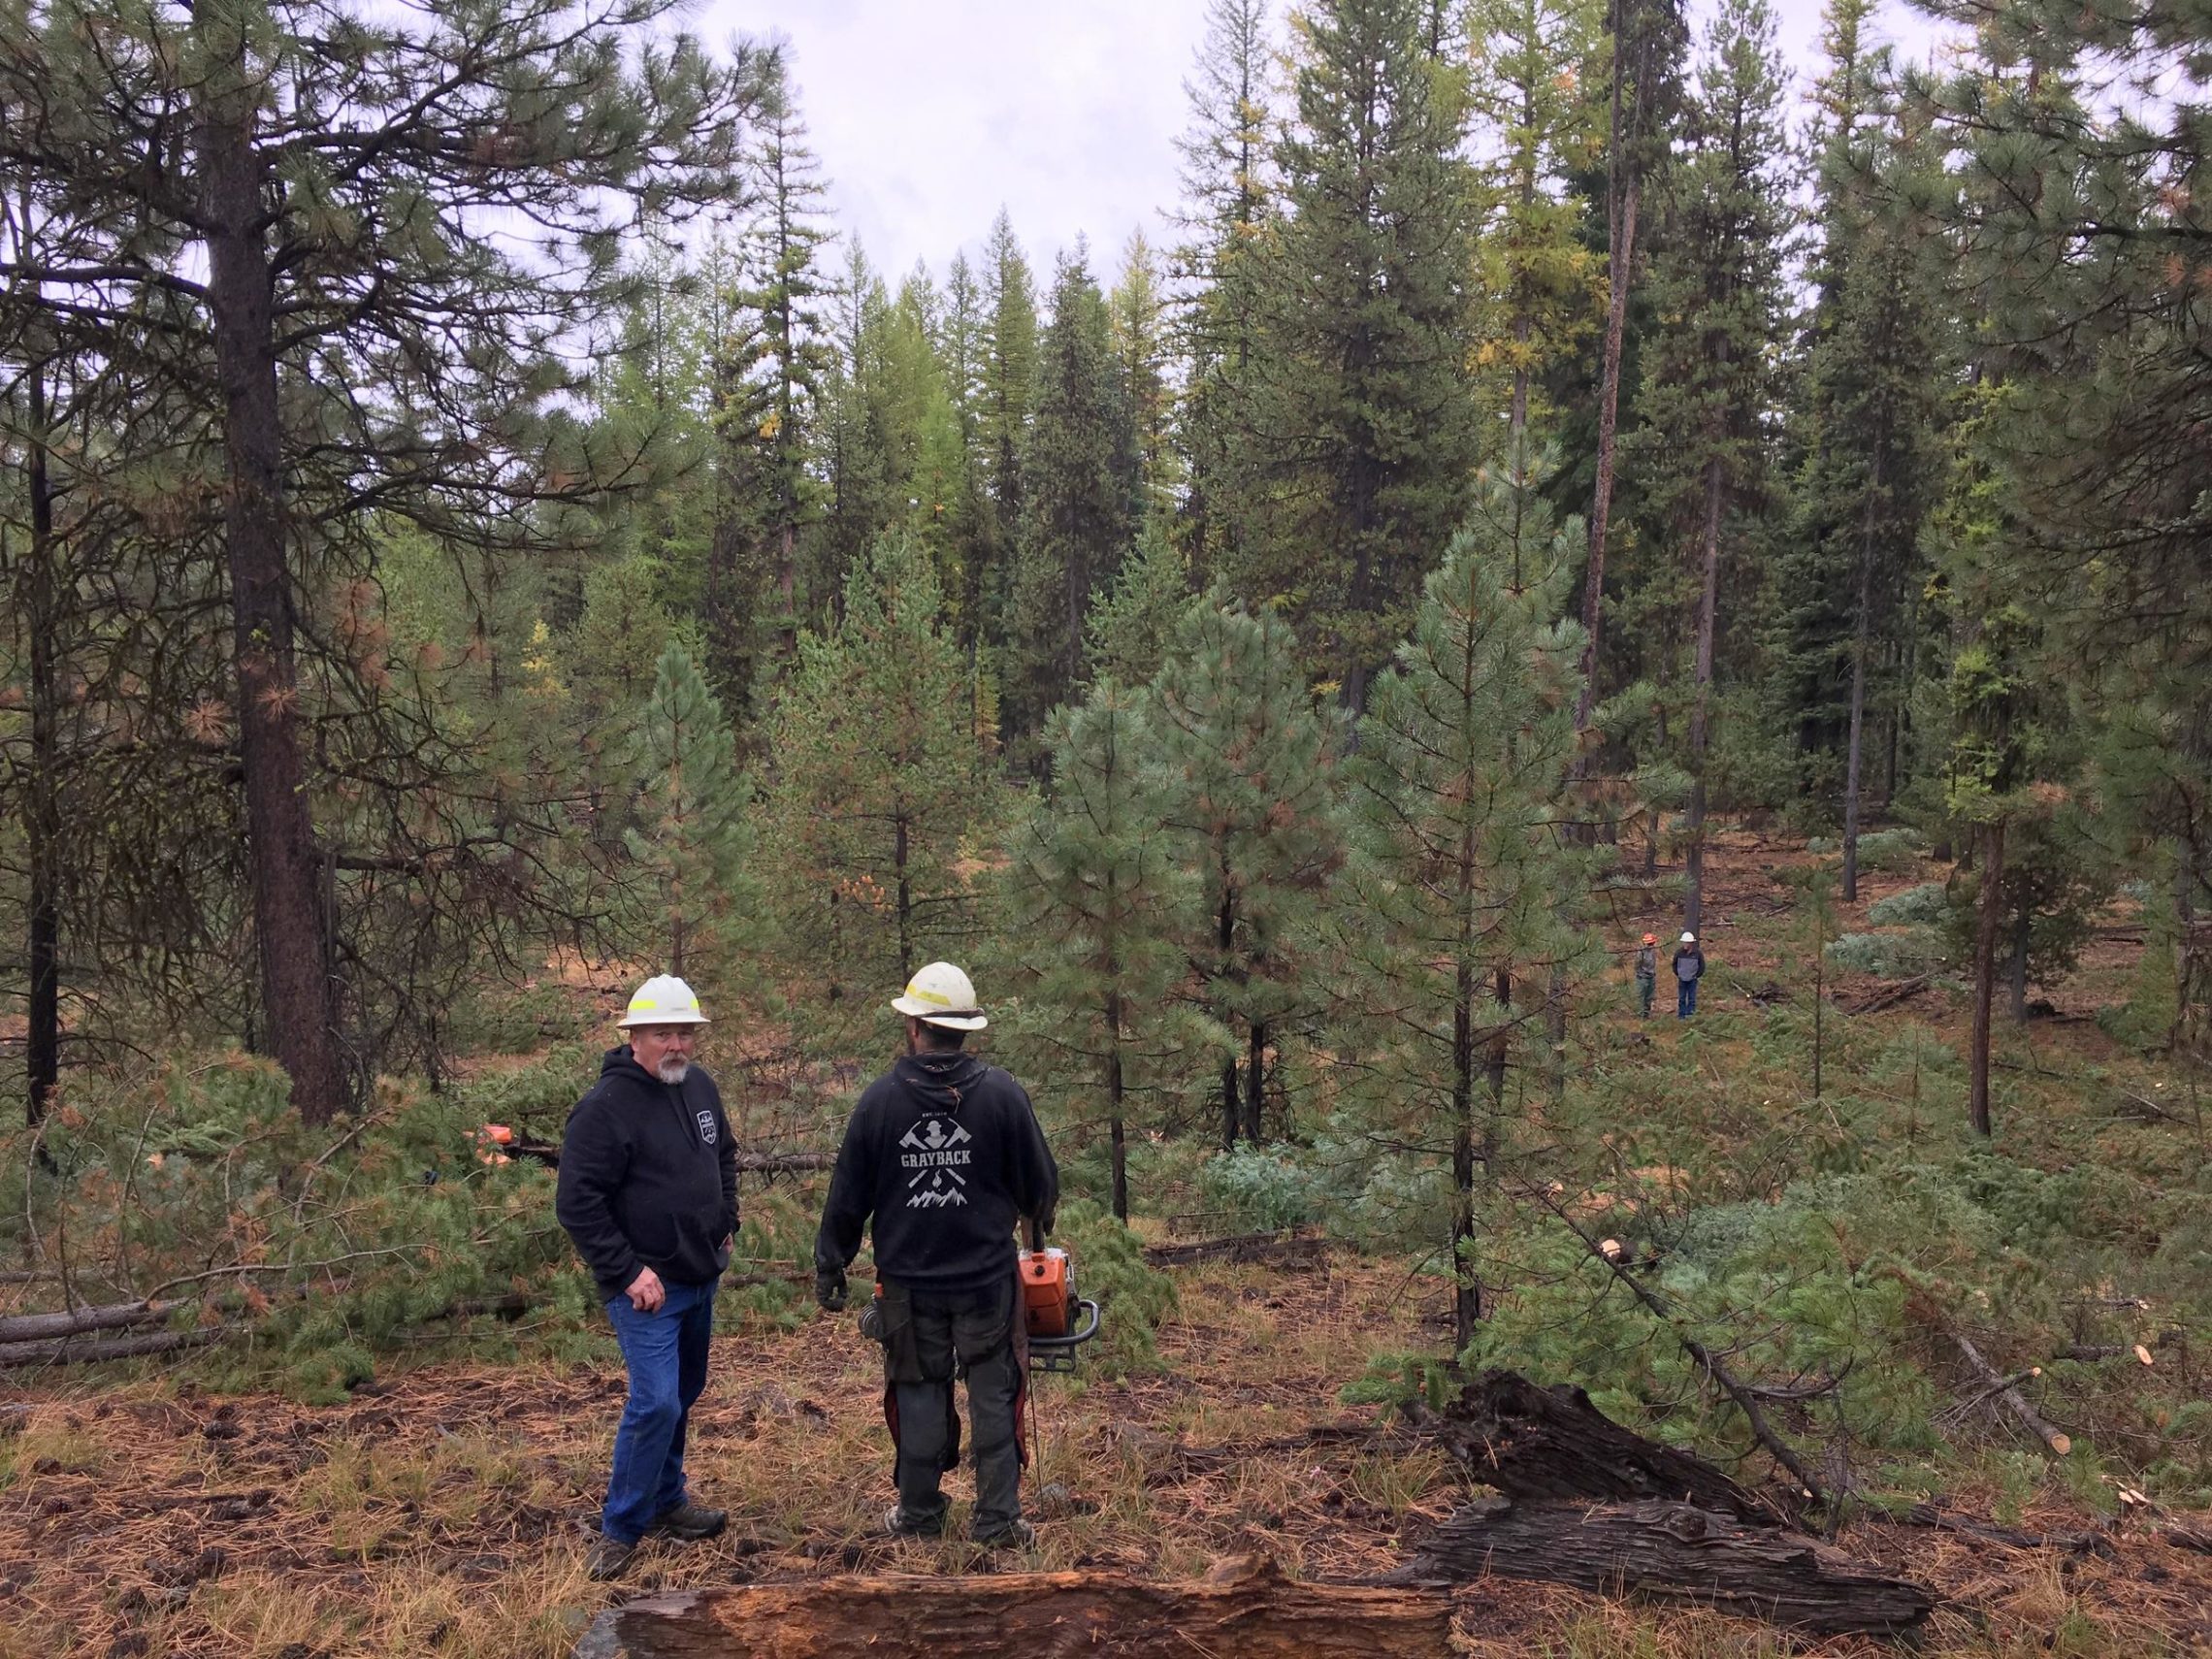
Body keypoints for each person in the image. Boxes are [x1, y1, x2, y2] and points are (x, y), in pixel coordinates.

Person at [813, 961, 1058, 1549]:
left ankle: (920, 1515)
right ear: (965, 1028)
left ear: (915, 1026)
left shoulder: (879, 1103)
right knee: (994, 1392)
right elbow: (1040, 1183)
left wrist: (832, 1263)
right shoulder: (1002, 1094)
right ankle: (997, 1521)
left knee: (918, 1391)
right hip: (985, 1282)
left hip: (908, 1285)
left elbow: (847, 1195)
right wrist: (1037, 1226)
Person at [556, 974, 737, 1581]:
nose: (677, 1044)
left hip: (699, 1274)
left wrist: (726, 1218)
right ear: (634, 1036)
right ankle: (621, 1528)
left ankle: (667, 1500)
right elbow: (578, 1202)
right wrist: (628, 1269)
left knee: (683, 1394)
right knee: (655, 1402)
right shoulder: (604, 1109)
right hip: (647, 1290)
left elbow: (724, 1157)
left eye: (685, 1032)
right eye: (664, 1033)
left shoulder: (700, 1087)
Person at [1673, 930, 1706, 1018]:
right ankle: (1682, 1015)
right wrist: (1679, 974)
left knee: (1692, 998)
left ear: (1691, 943)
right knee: (1682, 998)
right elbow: (1674, 964)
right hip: (1682, 979)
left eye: (1686, 942)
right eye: (1684, 942)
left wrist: (1696, 975)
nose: (1685, 944)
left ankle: (1691, 1015)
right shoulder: (1679, 953)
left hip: (1692, 980)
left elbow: (1702, 966)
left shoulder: (1698, 953)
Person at [1635, 933, 1658, 1018]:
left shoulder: (1653, 951)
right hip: (1642, 977)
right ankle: (1640, 1014)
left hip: (1651, 976)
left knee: (1649, 996)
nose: (1650, 945)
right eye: (1649, 944)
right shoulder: (1641, 952)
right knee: (1641, 996)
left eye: (1652, 943)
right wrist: (1640, 974)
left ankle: (1646, 1014)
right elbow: (1637, 964)